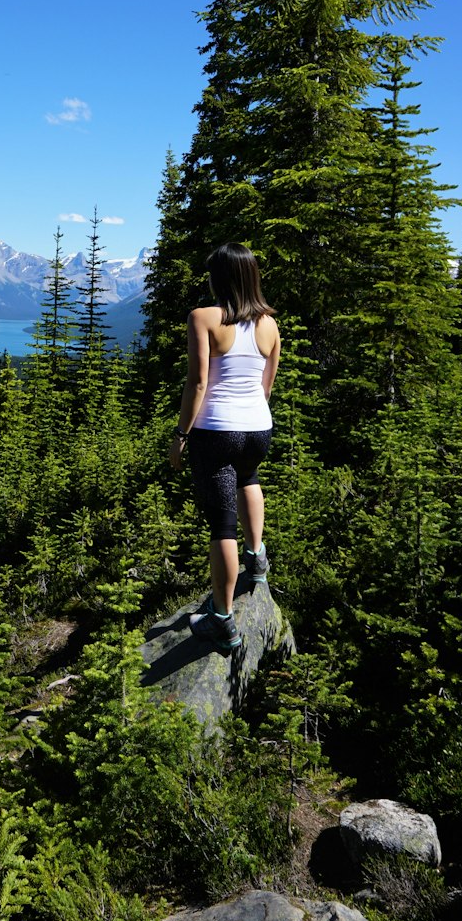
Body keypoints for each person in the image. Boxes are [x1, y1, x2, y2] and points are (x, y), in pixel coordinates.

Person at [169, 242, 280, 651]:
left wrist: (181, 436)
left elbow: (198, 382)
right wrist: (252, 419)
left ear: (220, 278)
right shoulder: (269, 324)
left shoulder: (203, 318)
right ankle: (258, 559)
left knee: (221, 527)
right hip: (258, 426)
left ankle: (222, 620)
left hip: (216, 430)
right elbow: (266, 382)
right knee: (248, 478)